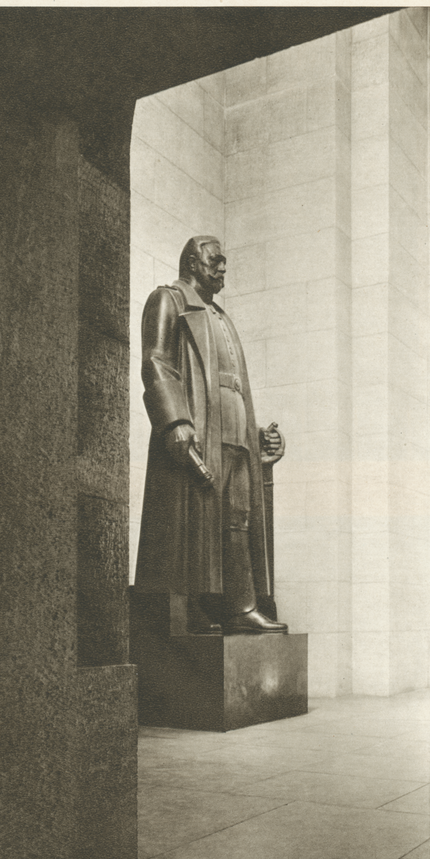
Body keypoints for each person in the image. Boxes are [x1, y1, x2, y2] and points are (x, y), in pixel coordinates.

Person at [134, 236, 287, 634]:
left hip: (233, 433)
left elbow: (228, 388)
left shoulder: (222, 317)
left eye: (224, 262)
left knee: (238, 516)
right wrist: (174, 421)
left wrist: (257, 439)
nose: (222, 268)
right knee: (199, 519)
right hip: (197, 430)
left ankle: (240, 607)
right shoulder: (169, 299)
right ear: (191, 262)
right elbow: (156, 361)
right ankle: (199, 608)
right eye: (214, 260)